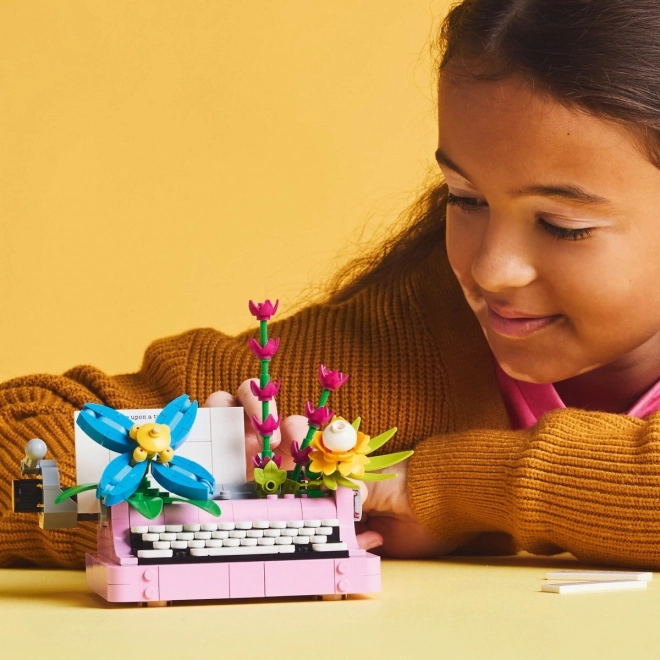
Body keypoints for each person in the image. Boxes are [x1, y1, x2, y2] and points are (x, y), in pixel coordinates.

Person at [3, 0, 660, 569]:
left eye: (562, 224)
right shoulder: (364, 376)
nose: (491, 270)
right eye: (465, 199)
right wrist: (207, 484)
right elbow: (18, 459)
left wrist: (444, 488)